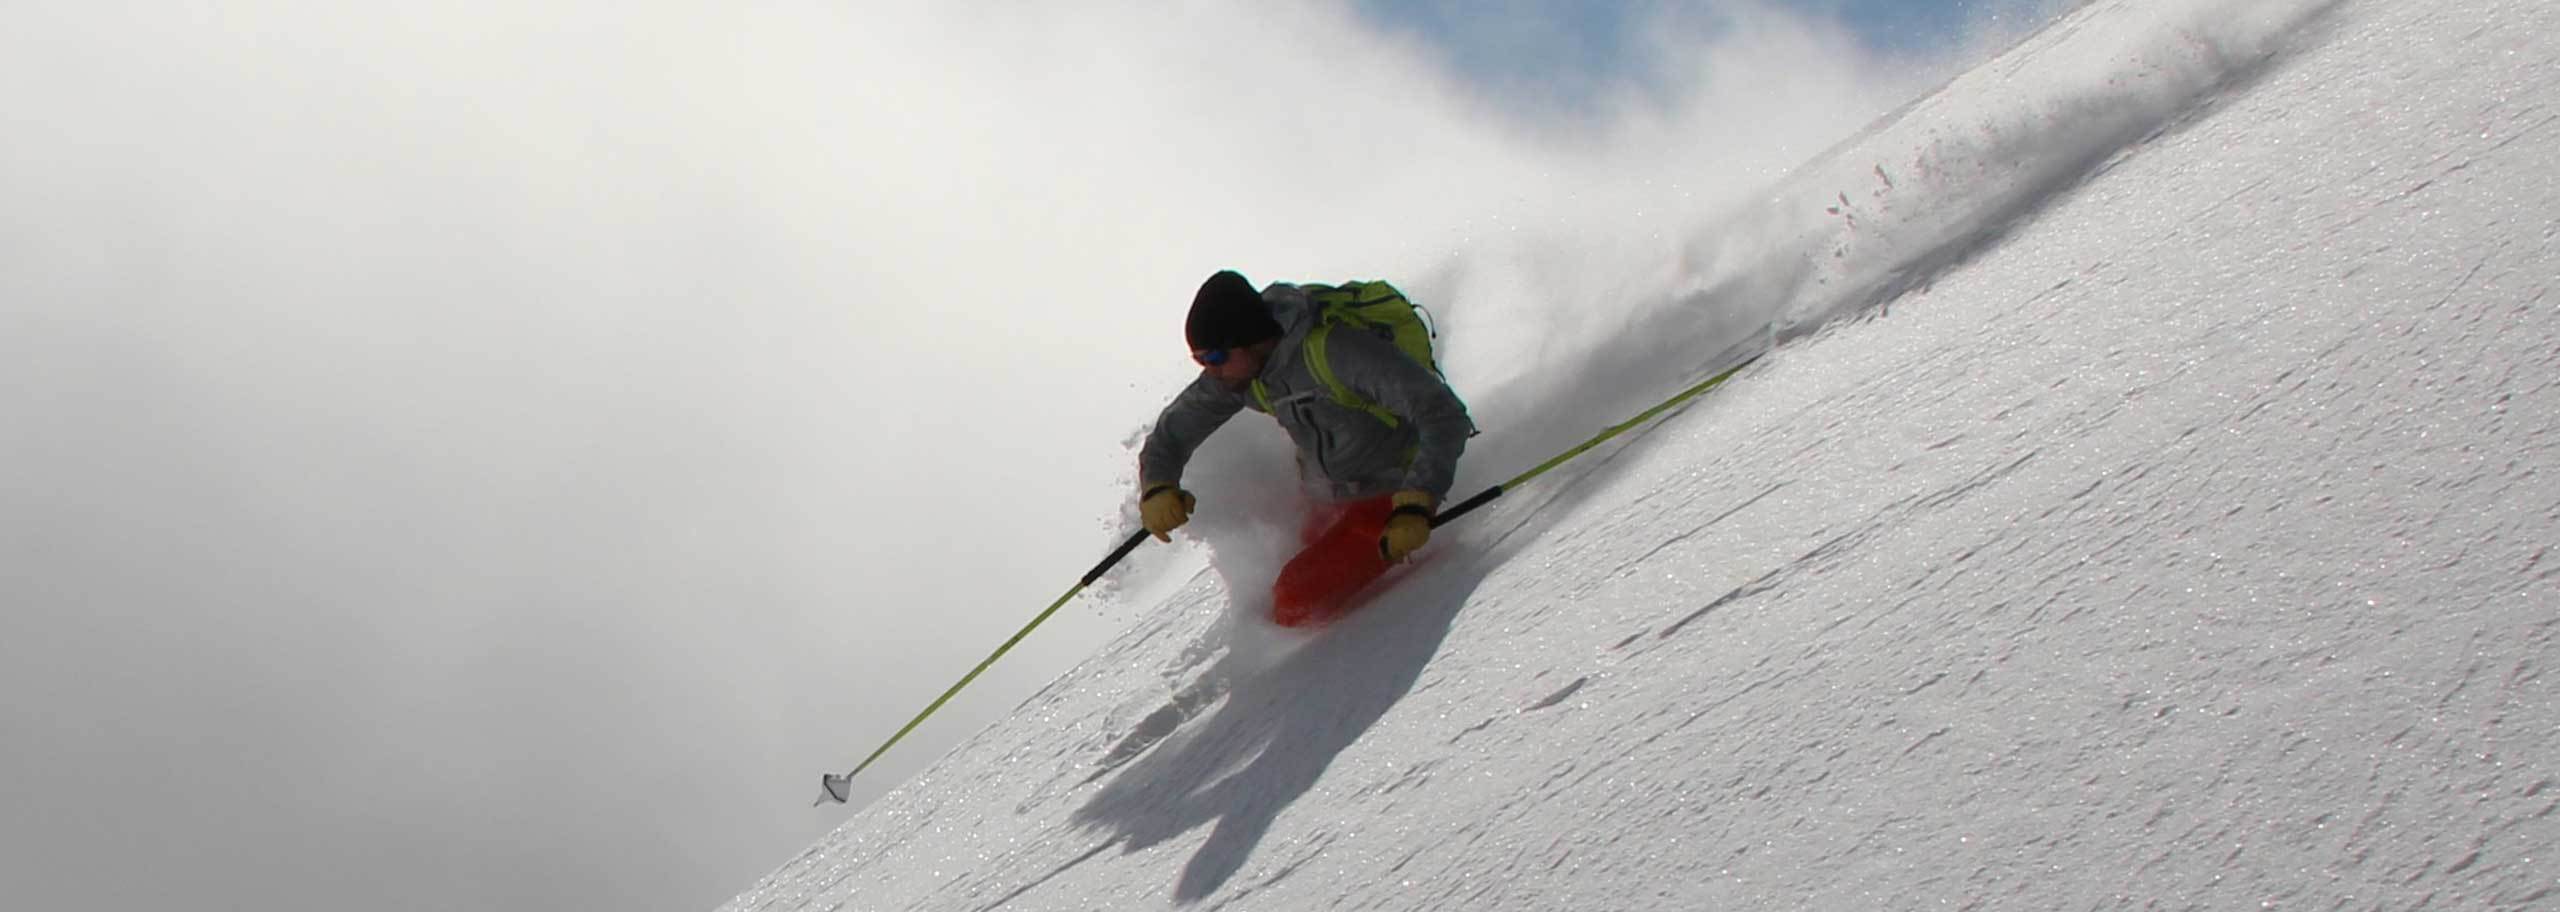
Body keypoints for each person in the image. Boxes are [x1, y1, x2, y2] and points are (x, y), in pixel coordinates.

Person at [1137, 270, 1474, 627]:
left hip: (1392, 499)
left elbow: (1442, 413)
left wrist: (1417, 502)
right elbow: (1171, 433)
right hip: (1329, 499)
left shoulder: (1336, 351)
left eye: (1215, 357)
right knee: (1282, 556)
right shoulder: (1242, 376)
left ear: (1249, 338)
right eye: (1200, 360)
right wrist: (1158, 485)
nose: (1210, 371)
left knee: (1293, 599)